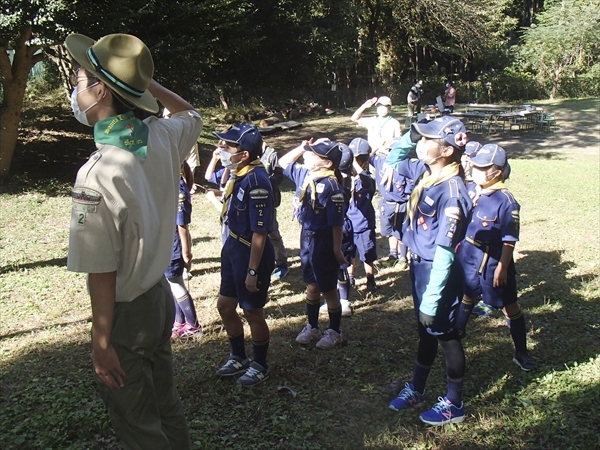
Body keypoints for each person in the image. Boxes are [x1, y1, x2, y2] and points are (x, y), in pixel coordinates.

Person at [65, 33, 202, 449]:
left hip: (128, 311)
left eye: (81, 81)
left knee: (138, 426)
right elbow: (191, 112)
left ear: (101, 90)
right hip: (160, 296)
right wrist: (141, 85)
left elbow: (102, 268)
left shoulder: (97, 173)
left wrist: (102, 341)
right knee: (166, 406)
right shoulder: (159, 135)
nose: (75, 92)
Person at [388, 116, 472, 426]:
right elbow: (392, 160)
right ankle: (418, 387)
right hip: (421, 267)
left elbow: (445, 253)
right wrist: (411, 136)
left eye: (427, 141)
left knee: (446, 335)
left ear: (448, 150)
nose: (420, 145)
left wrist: (432, 298)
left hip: (440, 273)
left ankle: (454, 402)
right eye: (419, 140)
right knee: (426, 330)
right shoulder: (428, 173)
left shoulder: (451, 192)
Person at [455, 144, 536, 371]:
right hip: (469, 254)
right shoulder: (472, 189)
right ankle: (456, 335)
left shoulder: (506, 201)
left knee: (509, 306)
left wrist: (502, 267)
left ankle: (521, 353)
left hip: (493, 260)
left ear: (497, 171)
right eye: (476, 164)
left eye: (482, 167)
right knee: (468, 295)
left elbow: (509, 239)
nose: (476, 169)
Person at [213, 123, 276, 387]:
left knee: (252, 312)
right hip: (233, 248)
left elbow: (260, 233)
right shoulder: (238, 172)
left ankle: (260, 363)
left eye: (227, 146)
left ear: (244, 154)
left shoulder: (256, 181)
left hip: (252, 253)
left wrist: (252, 271)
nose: (221, 148)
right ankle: (238, 356)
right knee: (225, 306)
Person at [279, 139, 347, 349]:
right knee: (311, 284)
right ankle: (312, 326)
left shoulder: (332, 186)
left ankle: (335, 331)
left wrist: (336, 249)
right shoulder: (305, 175)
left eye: (315, 154)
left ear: (328, 164)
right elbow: (282, 162)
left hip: (325, 240)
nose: (308, 155)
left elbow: (336, 223)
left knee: (328, 288)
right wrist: (302, 147)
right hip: (307, 237)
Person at [168, 162, 202, 339]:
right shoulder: (168, 183)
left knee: (176, 283)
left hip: (174, 244)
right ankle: (179, 321)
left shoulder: (178, 187)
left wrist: (186, 253)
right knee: (172, 284)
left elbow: (182, 225)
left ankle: (194, 325)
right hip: (166, 242)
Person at [367, 137, 411, 270]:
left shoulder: (406, 166)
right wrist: (378, 145)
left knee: (401, 231)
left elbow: (410, 189)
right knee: (390, 231)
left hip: (401, 204)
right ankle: (393, 255)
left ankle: (403, 257)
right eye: (391, 150)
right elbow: (368, 157)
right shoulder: (381, 162)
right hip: (386, 203)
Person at [346, 137, 379, 294]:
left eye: (358, 160)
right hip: (348, 222)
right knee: (348, 252)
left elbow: (366, 180)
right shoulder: (346, 177)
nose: (354, 163)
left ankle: (370, 279)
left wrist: (356, 167)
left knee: (367, 254)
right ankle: (350, 277)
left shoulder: (368, 178)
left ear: (365, 162)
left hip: (363, 223)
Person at [261, 143, 290, 280]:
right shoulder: (242, 152)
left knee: (273, 233)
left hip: (268, 201)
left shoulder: (271, 154)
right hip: (251, 202)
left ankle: (281, 263)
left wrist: (266, 181)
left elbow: (279, 174)